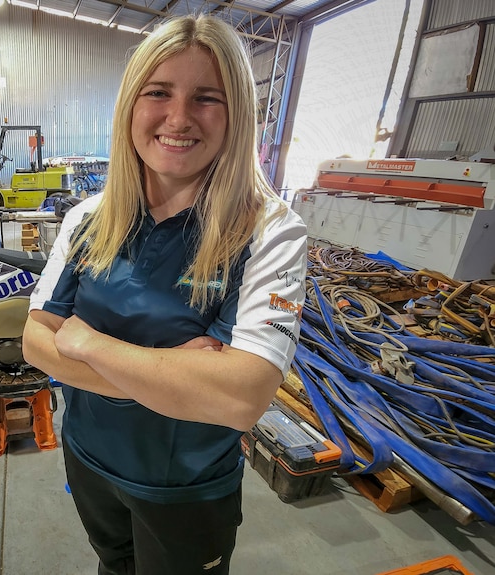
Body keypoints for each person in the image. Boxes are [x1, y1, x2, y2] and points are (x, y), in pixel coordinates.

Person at [22, 15, 308, 575]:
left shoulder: (270, 232)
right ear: (132, 103)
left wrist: (86, 343)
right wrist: (178, 380)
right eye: (159, 93)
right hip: (89, 458)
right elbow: (35, 343)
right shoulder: (89, 217)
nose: (179, 118)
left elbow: (241, 398)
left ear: (237, 116)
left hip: (184, 490)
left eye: (207, 98)